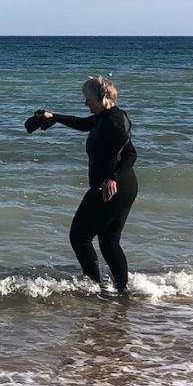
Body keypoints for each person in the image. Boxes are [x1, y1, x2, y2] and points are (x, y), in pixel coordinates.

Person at [30, 76, 138, 294]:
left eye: (88, 99)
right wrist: (54, 117)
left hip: (113, 188)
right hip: (124, 187)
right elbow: (81, 123)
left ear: (101, 98)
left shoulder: (113, 122)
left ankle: (95, 287)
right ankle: (121, 291)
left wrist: (113, 178)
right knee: (109, 241)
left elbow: (130, 154)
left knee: (79, 237)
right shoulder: (104, 117)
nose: (85, 103)